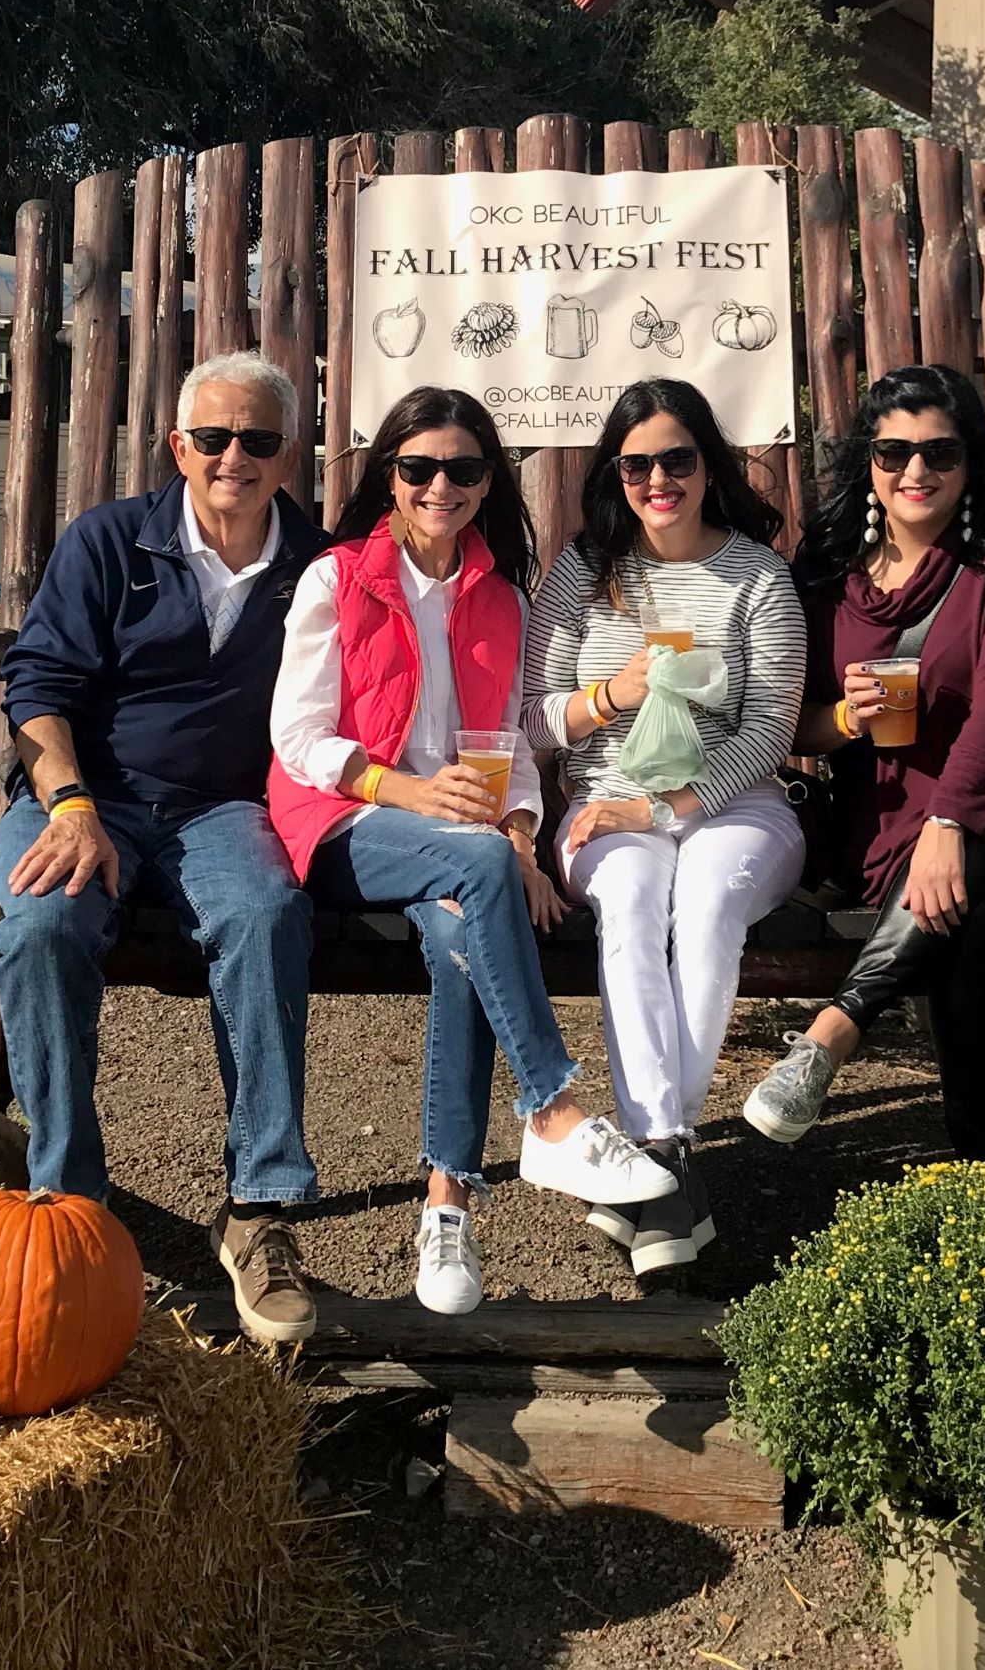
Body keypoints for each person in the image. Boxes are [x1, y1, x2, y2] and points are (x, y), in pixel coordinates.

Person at [269, 387, 675, 1315]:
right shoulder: (337, 578)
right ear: (390, 477)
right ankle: (553, 1109)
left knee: (466, 936)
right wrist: (408, 791)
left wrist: (522, 837)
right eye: (419, 468)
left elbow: (514, 748)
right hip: (343, 823)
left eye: (462, 468)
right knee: (479, 868)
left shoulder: (501, 597)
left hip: (464, 845)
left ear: (489, 482)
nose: (440, 486)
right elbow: (296, 738)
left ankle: (446, 1209)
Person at [0, 350, 328, 1346]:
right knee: (43, 926)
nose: (235, 457)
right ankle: (69, 1204)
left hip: (225, 805)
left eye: (258, 440)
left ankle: (259, 1207)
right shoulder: (110, 540)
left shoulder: (320, 565)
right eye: (214, 437)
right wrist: (69, 803)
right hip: (86, 791)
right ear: (178, 447)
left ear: (288, 455)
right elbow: (35, 684)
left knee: (267, 913)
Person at [740, 365, 985, 1163]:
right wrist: (844, 718)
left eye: (940, 452)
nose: (916, 470)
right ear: (867, 463)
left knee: (970, 853)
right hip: (887, 813)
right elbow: (788, 721)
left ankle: (832, 1034)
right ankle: (976, 1158)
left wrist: (949, 821)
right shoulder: (825, 574)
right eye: (893, 452)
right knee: (969, 903)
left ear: (971, 461)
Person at [521, 379, 806, 1278]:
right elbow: (532, 717)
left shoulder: (758, 575)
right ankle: (670, 1156)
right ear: (615, 473)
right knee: (635, 895)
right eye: (636, 464)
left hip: (736, 802)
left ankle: (655, 1161)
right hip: (604, 804)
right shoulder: (583, 572)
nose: (658, 480)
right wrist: (613, 695)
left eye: (677, 459)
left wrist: (666, 807)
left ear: (707, 465)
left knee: (710, 898)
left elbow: (770, 731)